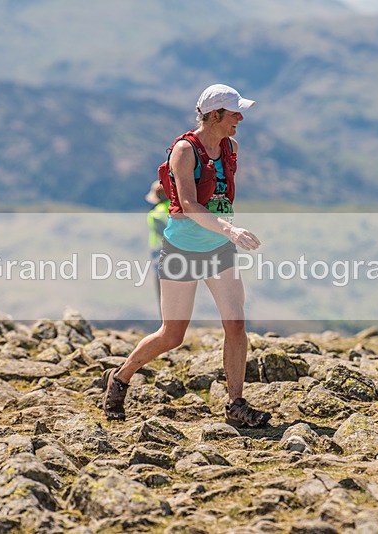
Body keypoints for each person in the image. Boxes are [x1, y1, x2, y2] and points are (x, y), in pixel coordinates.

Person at [102, 83, 271, 428]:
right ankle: (119, 379)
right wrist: (230, 229)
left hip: (219, 250)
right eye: (234, 111)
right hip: (183, 250)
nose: (240, 117)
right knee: (172, 334)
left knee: (236, 324)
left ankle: (236, 404)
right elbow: (190, 204)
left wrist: (226, 234)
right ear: (214, 115)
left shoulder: (230, 147)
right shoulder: (184, 150)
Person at [145, 180, 170, 312]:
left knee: (162, 293)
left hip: (160, 254)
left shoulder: (155, 214)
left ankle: (166, 326)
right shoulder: (178, 208)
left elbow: (163, 233)